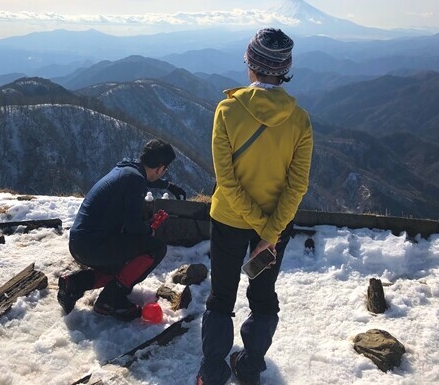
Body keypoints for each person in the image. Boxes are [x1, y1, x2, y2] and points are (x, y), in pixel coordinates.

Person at [197, 28, 313, 385]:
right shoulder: (300, 120)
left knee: (221, 296)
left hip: (229, 220)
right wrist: (270, 232)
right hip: (274, 230)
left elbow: (226, 181)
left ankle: (213, 373)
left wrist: (256, 224)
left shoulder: (228, 110)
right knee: (263, 297)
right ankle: (248, 369)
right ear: (284, 69)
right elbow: (297, 186)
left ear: (251, 63)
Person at [57, 138, 187, 321]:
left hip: (80, 243)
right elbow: (134, 225)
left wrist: (168, 185)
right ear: (160, 168)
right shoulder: (135, 181)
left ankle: (74, 283)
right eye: (165, 169)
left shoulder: (126, 169)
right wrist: (150, 231)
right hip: (94, 247)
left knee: (123, 266)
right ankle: (110, 300)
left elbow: (144, 180)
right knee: (156, 248)